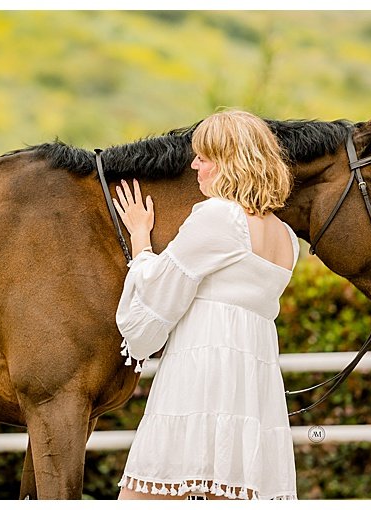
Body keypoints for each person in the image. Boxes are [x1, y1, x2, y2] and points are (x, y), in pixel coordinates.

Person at [111, 109, 300, 499]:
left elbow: (160, 291)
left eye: (205, 156)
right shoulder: (288, 239)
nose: (194, 164)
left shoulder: (220, 217)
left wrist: (140, 238)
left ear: (232, 161)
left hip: (201, 379)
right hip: (251, 393)